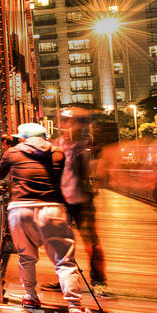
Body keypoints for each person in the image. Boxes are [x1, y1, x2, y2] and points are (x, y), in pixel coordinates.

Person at [0, 122, 103, 313]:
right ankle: (75, 308)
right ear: (45, 136)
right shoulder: (57, 153)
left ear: (22, 138)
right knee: (64, 261)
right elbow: (56, 177)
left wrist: (9, 149)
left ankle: (30, 298)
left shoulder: (13, 152)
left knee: (26, 256)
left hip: (20, 210)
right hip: (51, 207)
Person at [50, 108, 108, 296]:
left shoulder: (87, 147)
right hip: (62, 201)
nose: (71, 126)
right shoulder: (56, 146)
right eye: (68, 121)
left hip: (83, 200)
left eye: (77, 122)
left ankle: (99, 281)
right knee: (61, 243)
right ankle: (65, 280)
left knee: (92, 242)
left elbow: (99, 171)